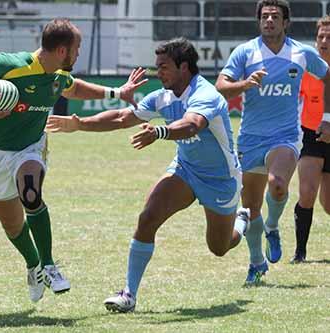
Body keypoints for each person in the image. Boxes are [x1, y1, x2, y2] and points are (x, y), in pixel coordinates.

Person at [0, 18, 146, 302]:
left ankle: (50, 265)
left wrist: (117, 93)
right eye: (77, 49)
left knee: (30, 192)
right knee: (11, 224)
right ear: (63, 50)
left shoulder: (57, 75)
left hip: (31, 147)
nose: (78, 55)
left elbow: (73, 88)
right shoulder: (13, 63)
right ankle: (34, 265)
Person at [47, 37, 247, 313]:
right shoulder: (162, 96)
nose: (158, 73)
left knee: (220, 247)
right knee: (148, 217)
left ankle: (241, 222)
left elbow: (192, 125)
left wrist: (160, 131)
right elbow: (121, 118)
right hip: (186, 170)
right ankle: (129, 294)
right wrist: (79, 124)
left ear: (184, 67)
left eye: (163, 67)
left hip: (220, 179)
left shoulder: (206, 94)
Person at [215, 0, 330, 284]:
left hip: (286, 136)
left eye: (275, 16)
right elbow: (220, 86)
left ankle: (273, 226)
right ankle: (257, 262)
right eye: (264, 16)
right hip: (251, 139)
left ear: (285, 22)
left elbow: (329, 76)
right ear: (259, 22)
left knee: (278, 185)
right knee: (250, 207)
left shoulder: (301, 53)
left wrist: (327, 116)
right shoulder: (245, 52)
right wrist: (244, 84)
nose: (269, 20)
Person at [292, 16, 330, 263]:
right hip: (311, 135)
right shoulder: (306, 68)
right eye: (320, 37)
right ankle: (300, 253)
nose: (324, 42)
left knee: (328, 205)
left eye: (329, 38)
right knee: (306, 193)